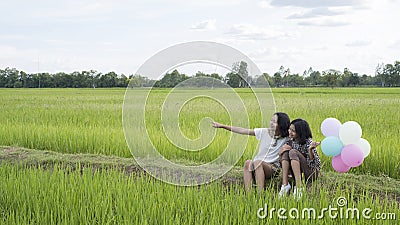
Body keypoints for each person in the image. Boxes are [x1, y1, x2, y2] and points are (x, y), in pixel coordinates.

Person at [212, 112, 290, 192]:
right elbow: (243, 130)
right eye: (271, 120)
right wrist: (222, 126)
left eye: (274, 122)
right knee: (248, 162)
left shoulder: (287, 138)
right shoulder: (264, 132)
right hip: (257, 165)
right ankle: (249, 195)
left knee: (257, 163)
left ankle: (260, 194)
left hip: (272, 168)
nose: (271, 123)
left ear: (281, 124)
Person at [278, 118, 321, 199]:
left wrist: (310, 150)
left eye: (293, 131)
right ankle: (285, 185)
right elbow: (281, 163)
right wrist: (280, 152)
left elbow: (314, 165)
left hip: (310, 173)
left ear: (300, 132)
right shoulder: (290, 141)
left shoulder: (308, 142)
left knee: (293, 152)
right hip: (296, 173)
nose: (290, 132)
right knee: (286, 151)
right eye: (289, 129)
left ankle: (299, 187)